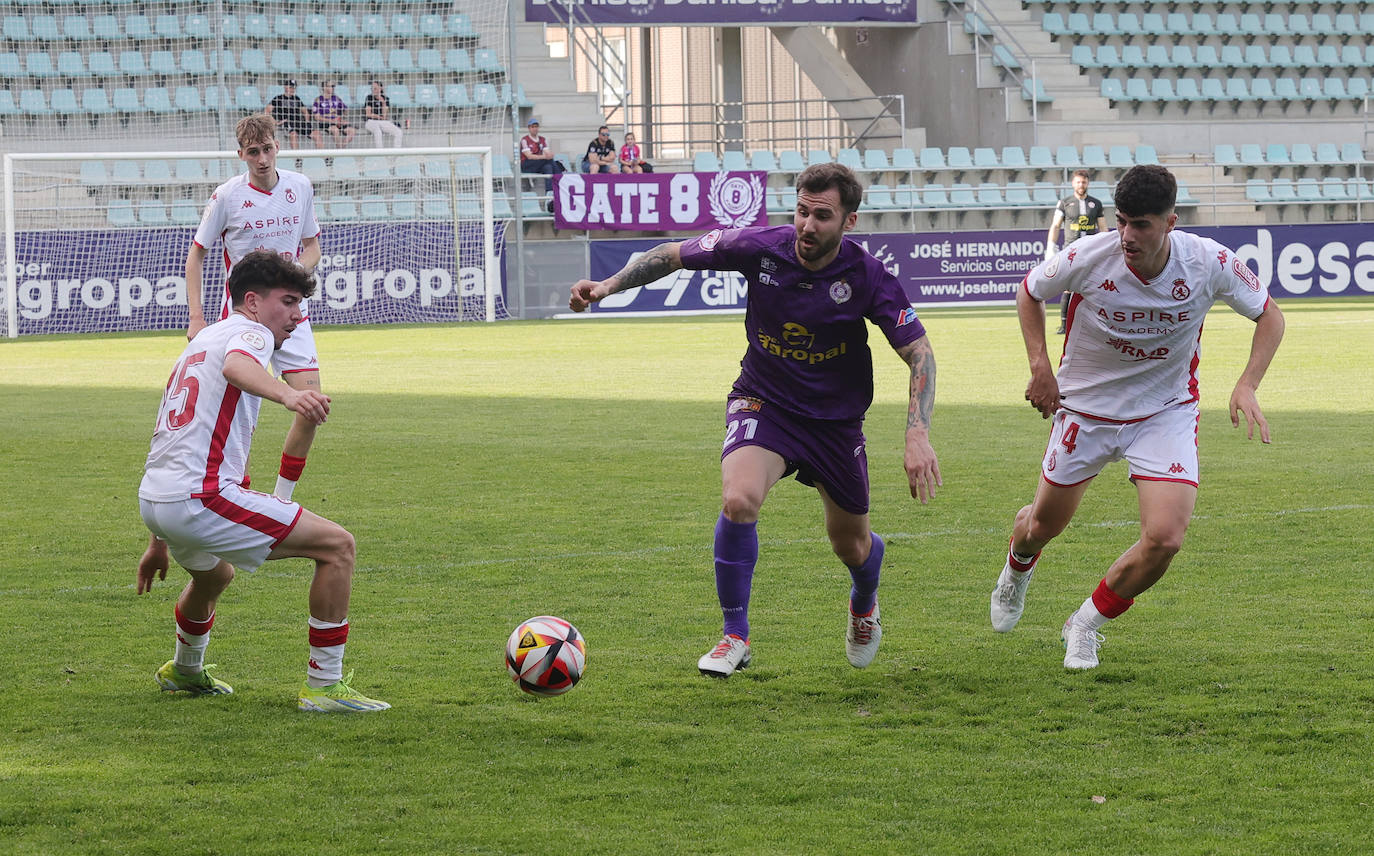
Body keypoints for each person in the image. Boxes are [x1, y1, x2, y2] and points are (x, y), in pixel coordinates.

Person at [569, 163, 941, 678]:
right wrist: (607, 286)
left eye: (823, 216)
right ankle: (734, 636)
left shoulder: (868, 277)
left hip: (834, 424)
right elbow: (670, 255)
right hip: (763, 402)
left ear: (849, 222)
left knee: (851, 545)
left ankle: (864, 602)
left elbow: (920, 355)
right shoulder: (760, 247)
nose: (808, 226)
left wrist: (917, 433)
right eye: (802, 212)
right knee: (738, 499)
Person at [990, 164, 1285, 671]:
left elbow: (1269, 315)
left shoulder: (1208, 261)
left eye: (1141, 224)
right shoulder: (1088, 255)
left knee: (1166, 537)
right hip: (1085, 408)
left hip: (1164, 410)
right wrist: (1040, 368)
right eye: (1122, 221)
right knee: (1042, 525)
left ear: (1170, 222)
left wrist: (1247, 383)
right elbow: (1029, 292)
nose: (1127, 235)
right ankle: (1017, 568)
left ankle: (1084, 625)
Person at [138, 250, 389, 713]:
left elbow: (168, 437)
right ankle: (324, 688)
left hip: (157, 498)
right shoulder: (249, 333)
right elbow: (238, 367)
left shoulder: (201, 340)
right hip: (200, 497)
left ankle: (185, 671)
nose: (298, 315)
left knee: (215, 575)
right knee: (337, 546)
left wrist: (157, 538)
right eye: (289, 301)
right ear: (251, 301)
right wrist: (290, 395)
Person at [142, 114, 325, 581]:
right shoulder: (227, 196)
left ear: (278, 146)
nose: (262, 159)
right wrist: (198, 317)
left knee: (311, 408)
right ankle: (230, 490)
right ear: (240, 156)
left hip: (290, 314)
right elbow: (197, 253)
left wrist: (293, 283)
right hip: (243, 319)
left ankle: (280, 503)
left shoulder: (300, 186)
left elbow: (311, 246)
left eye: (267, 149)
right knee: (230, 413)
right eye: (253, 152)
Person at [1045, 169, 1107, 334]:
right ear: (1073, 183)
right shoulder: (1064, 203)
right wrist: (1050, 246)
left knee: (1094, 286)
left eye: (1084, 182)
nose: (1081, 185)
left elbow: (1102, 228)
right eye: (1078, 182)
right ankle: (1064, 325)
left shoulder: (1096, 203)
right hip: (1070, 250)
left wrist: (1106, 246)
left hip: (1091, 251)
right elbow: (1056, 225)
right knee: (1068, 287)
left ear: (1088, 183)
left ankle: (1097, 324)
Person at [265, 79, 320, 150]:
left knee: (317, 134)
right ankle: (297, 158)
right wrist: (275, 122)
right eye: (290, 87)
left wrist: (307, 122)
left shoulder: (296, 98)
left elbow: (305, 112)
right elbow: (266, 111)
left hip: (298, 123)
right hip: (287, 122)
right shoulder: (278, 98)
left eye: (294, 88)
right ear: (285, 87)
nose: (292, 89)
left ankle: (324, 157)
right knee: (293, 134)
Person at [519, 118, 564, 192]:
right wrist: (545, 157)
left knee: (548, 167)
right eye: (532, 127)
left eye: (536, 127)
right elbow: (529, 156)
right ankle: (561, 178)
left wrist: (550, 155)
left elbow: (547, 152)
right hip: (527, 165)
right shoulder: (525, 140)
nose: (535, 129)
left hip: (539, 164)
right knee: (548, 161)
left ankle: (549, 193)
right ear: (529, 128)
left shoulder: (542, 139)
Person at [311, 81, 356, 147]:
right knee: (335, 130)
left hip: (337, 122)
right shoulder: (318, 100)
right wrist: (331, 121)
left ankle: (341, 149)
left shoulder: (336, 98)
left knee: (352, 131)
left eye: (333, 86)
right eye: (330, 86)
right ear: (324, 88)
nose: (333, 88)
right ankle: (339, 151)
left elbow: (345, 109)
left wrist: (342, 118)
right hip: (325, 123)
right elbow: (316, 117)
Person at [362, 80, 403, 148]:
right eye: (372, 88)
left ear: (380, 88)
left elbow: (384, 116)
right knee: (378, 131)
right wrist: (379, 117)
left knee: (398, 132)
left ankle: (396, 153)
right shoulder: (369, 98)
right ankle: (380, 153)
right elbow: (368, 114)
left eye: (375, 88)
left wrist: (383, 102)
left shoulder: (385, 99)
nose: (373, 90)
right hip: (370, 122)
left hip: (382, 121)